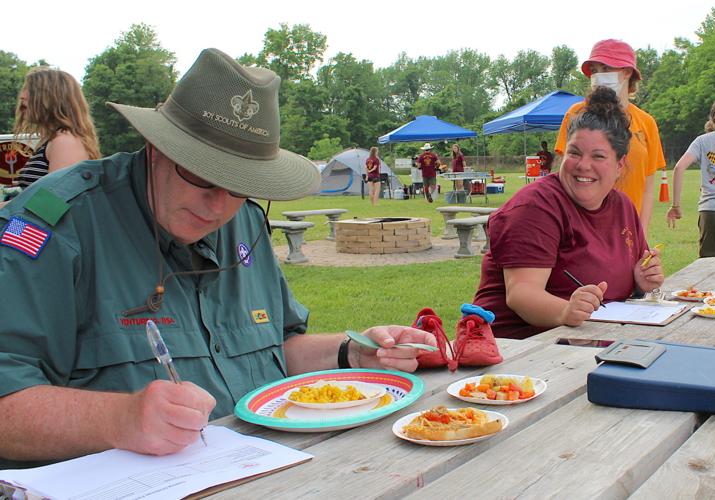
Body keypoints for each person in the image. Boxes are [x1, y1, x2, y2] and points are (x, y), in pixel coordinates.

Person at [0, 48, 435, 469]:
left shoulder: (243, 220)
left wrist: (352, 353)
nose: (217, 207)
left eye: (240, 184)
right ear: (156, 148)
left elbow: (274, 348)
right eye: (200, 176)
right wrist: (120, 419)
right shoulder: (60, 225)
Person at [473, 87, 664, 339]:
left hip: (588, 342)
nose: (583, 165)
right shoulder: (535, 207)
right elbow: (521, 294)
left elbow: (625, 276)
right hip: (518, 349)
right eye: (574, 153)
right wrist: (565, 311)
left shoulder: (623, 206)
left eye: (598, 156)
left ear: (620, 165)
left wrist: (639, 281)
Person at [555, 39, 665, 236]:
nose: (598, 76)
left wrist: (642, 235)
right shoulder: (576, 113)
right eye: (594, 70)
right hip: (582, 226)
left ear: (627, 72)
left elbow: (648, 188)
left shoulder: (646, 122)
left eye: (605, 68)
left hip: (627, 229)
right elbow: (564, 172)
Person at [13, 67, 101, 189]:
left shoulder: (66, 142)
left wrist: (10, 205)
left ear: (52, 98)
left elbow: (58, 200)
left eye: (31, 90)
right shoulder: (53, 140)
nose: (22, 96)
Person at [666, 98, 715, 257]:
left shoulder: (702, 140)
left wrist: (676, 206)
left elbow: (679, 167)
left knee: (708, 262)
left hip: (710, 209)